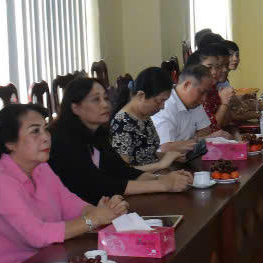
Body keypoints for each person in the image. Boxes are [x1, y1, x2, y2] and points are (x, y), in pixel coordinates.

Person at [0, 104, 128, 263]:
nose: (46, 137)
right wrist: (95, 218)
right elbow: (37, 235)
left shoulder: (40, 167)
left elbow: (69, 203)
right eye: (35, 131)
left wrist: (101, 211)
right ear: (10, 143)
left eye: (45, 128)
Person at [49, 77, 192, 204]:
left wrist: (163, 179)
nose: (105, 104)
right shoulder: (61, 140)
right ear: (75, 108)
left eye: (105, 98)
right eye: (96, 100)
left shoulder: (97, 132)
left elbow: (121, 169)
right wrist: (164, 185)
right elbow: (97, 184)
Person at [111, 67, 181, 168]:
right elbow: (122, 170)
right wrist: (160, 165)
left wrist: (168, 156)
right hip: (141, 178)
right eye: (159, 101)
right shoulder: (122, 123)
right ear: (141, 95)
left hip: (155, 175)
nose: (162, 107)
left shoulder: (144, 116)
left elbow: (147, 154)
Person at [154, 64, 217, 153]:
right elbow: (166, 148)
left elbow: (206, 130)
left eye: (207, 93)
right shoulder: (165, 105)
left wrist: (186, 142)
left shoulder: (195, 102)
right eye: (202, 92)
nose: (204, 99)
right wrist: (201, 139)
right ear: (186, 85)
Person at [193, 43, 236, 129]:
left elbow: (226, 121)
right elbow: (212, 128)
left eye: (226, 65)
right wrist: (224, 103)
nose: (225, 69)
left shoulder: (213, 88)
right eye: (220, 66)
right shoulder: (196, 91)